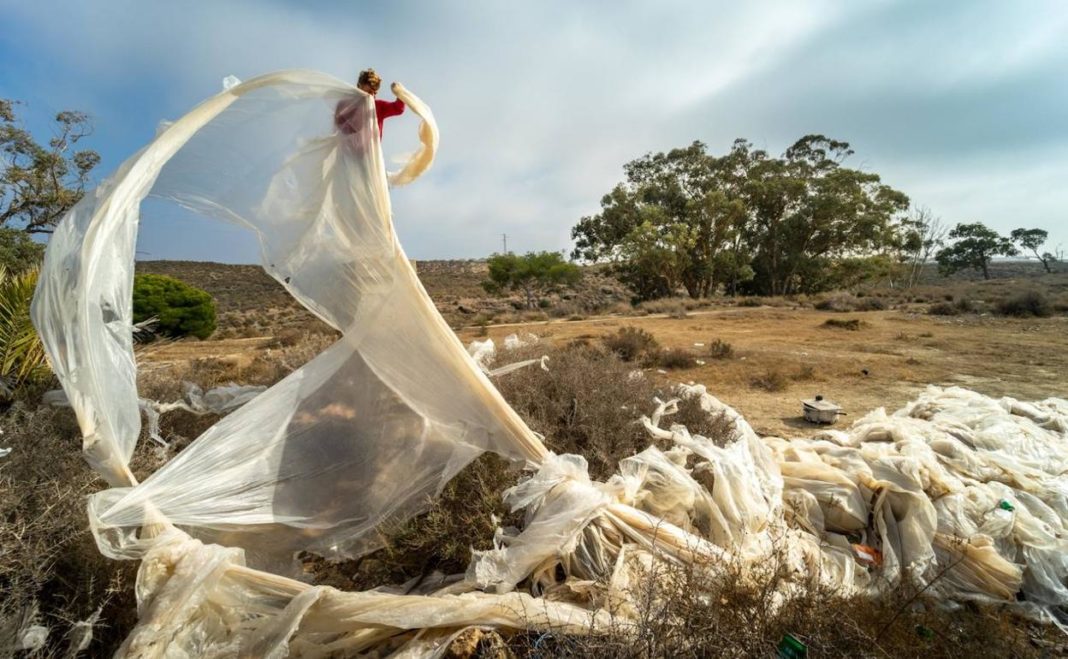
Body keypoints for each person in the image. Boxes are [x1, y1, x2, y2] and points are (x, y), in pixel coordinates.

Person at [334, 68, 405, 139]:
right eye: (367, 92)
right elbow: (339, 125)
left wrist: (399, 92)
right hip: (349, 148)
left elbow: (398, 108)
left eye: (373, 92)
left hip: (372, 149)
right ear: (359, 87)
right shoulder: (345, 105)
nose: (370, 96)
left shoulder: (378, 106)